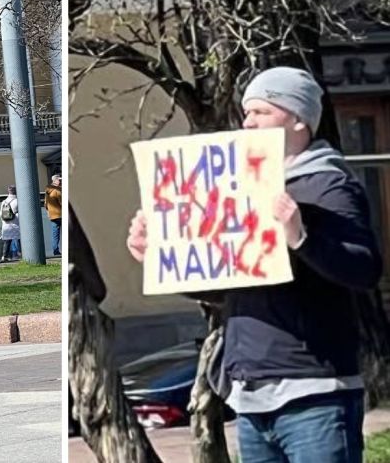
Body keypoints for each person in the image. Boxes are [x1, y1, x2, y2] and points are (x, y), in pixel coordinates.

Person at [126, 67, 382, 463]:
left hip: (314, 393)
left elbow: (364, 269)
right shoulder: (239, 188)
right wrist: (161, 257)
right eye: (246, 112)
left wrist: (300, 236)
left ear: (298, 118)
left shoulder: (327, 184)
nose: (247, 122)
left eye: (261, 111)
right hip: (249, 395)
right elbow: (226, 288)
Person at [0, 185, 20, 262]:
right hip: (16, 223)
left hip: (6, 224)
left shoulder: (4, 202)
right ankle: (23, 254)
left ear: (9, 191)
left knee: (7, 241)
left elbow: (1, 214)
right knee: (19, 239)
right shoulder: (17, 201)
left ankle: (4, 256)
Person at [45, 173, 62, 256]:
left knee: (55, 234)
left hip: (52, 215)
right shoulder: (57, 190)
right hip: (60, 214)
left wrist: (49, 212)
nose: (61, 181)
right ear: (55, 180)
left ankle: (55, 250)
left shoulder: (48, 190)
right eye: (60, 180)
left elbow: (45, 204)